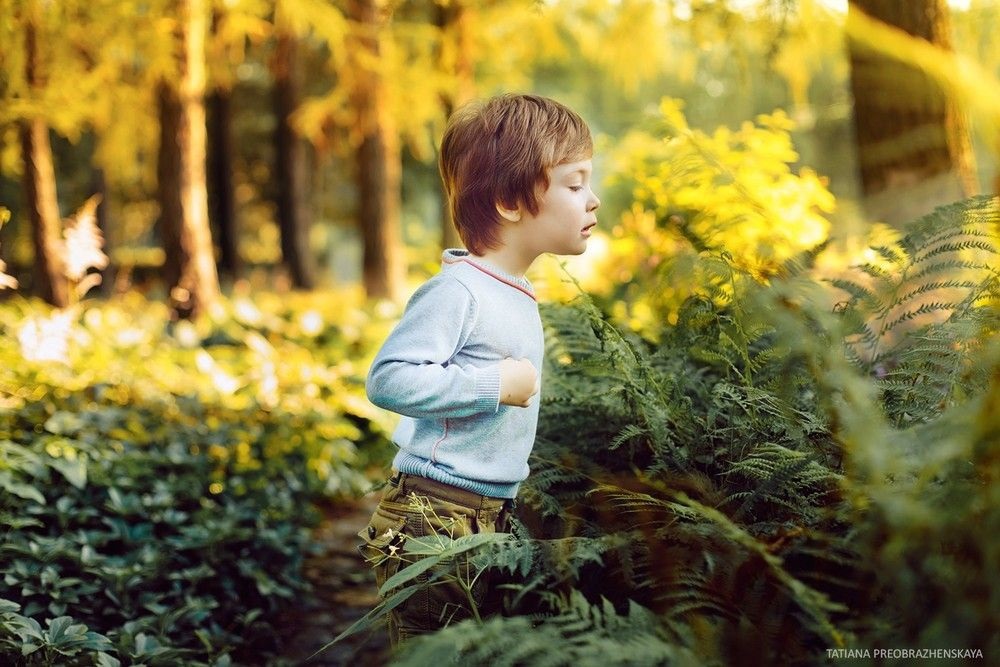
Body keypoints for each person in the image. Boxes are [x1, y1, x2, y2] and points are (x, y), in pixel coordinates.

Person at [358, 93, 600, 646]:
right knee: (434, 654)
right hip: (434, 514)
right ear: (511, 202)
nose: (593, 199)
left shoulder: (511, 292)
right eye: (574, 183)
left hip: (485, 514)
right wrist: (493, 386)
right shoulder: (458, 291)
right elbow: (390, 377)